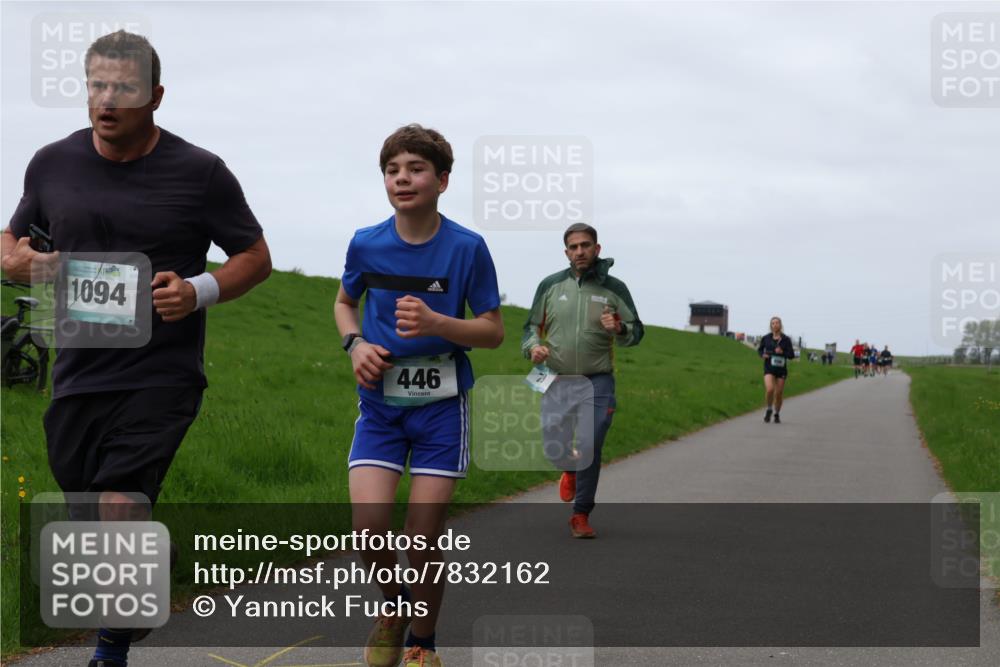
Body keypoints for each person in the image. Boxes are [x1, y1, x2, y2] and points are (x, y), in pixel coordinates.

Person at [0, 30, 271, 667]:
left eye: (123, 88)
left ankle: (109, 651)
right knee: (91, 511)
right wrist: (19, 263)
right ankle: (150, 558)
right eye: (97, 85)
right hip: (78, 371)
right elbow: (11, 242)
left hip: (161, 372)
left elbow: (255, 257)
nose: (107, 99)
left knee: (120, 499)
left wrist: (199, 291)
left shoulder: (200, 172)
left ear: (155, 96)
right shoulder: (51, 163)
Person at [333, 124, 503, 667]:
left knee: (422, 536)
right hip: (380, 404)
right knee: (368, 532)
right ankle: (397, 605)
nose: (402, 178)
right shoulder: (366, 242)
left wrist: (438, 323)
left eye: (416, 169)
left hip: (441, 408)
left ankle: (422, 644)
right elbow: (344, 303)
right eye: (392, 170)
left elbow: (493, 331)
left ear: (442, 180)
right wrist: (355, 344)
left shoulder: (467, 248)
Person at [522, 223, 644, 538]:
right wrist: (533, 347)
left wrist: (619, 328)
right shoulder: (550, 285)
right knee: (554, 446)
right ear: (566, 252)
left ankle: (580, 514)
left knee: (590, 443)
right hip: (555, 378)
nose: (580, 251)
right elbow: (530, 328)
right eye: (574, 247)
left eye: (585, 245)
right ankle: (570, 469)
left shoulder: (614, 288)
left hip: (597, 380)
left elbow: (637, 331)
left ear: (597, 248)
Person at [757, 316, 795, 423]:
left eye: (777, 323)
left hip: (781, 369)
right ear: (771, 326)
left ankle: (776, 413)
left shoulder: (786, 339)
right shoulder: (766, 338)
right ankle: (769, 408)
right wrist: (762, 355)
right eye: (773, 323)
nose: (775, 325)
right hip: (769, 367)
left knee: (778, 393)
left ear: (780, 325)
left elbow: (791, 355)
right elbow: (760, 350)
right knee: (770, 389)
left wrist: (782, 352)